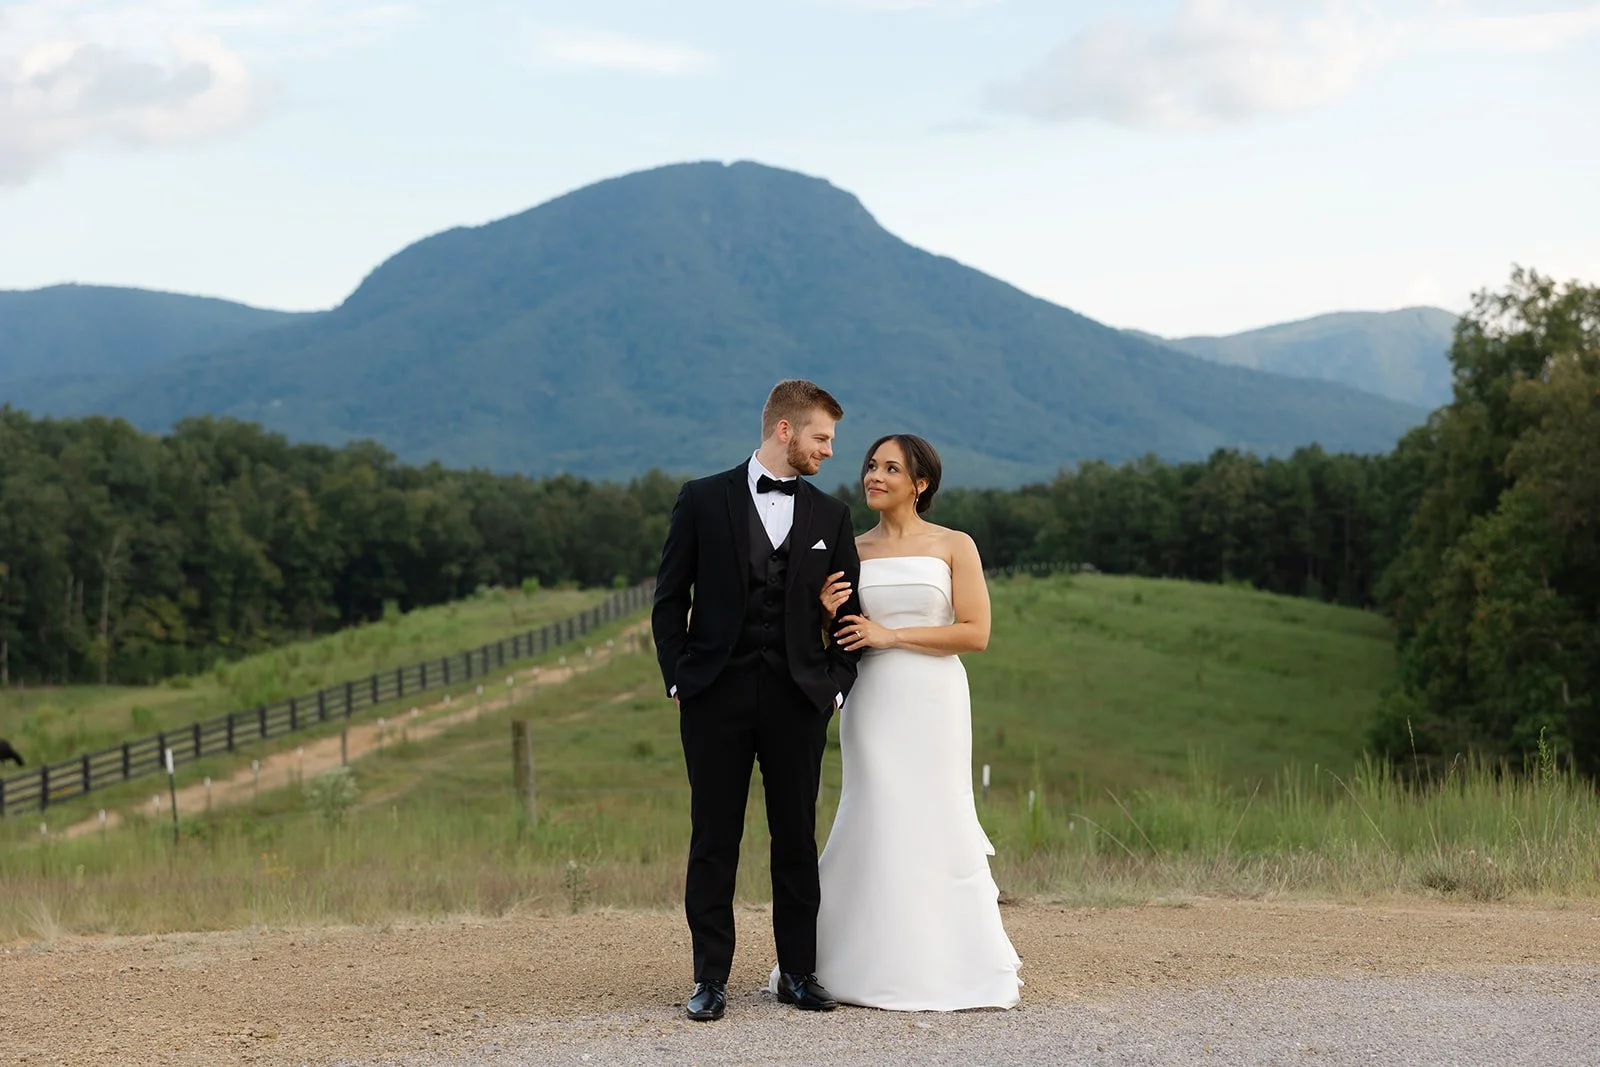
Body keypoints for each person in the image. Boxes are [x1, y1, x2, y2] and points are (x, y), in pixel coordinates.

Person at [771, 432, 1022, 1011]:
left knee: (937, 811)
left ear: (921, 483)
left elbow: (975, 633)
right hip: (872, 697)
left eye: (890, 468)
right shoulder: (847, 547)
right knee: (876, 809)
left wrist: (893, 634)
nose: (873, 476)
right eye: (870, 466)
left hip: (934, 698)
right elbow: (834, 639)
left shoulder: (955, 545)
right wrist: (829, 614)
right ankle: (844, 961)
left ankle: (948, 959)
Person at [652, 379, 865, 1022]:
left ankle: (798, 973)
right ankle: (709, 979)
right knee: (714, 839)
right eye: (821, 437)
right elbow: (668, 600)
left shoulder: (831, 515)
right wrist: (679, 680)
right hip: (714, 697)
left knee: (795, 838)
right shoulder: (701, 499)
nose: (829, 451)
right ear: (785, 431)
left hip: (798, 699)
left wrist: (832, 684)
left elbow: (851, 612)